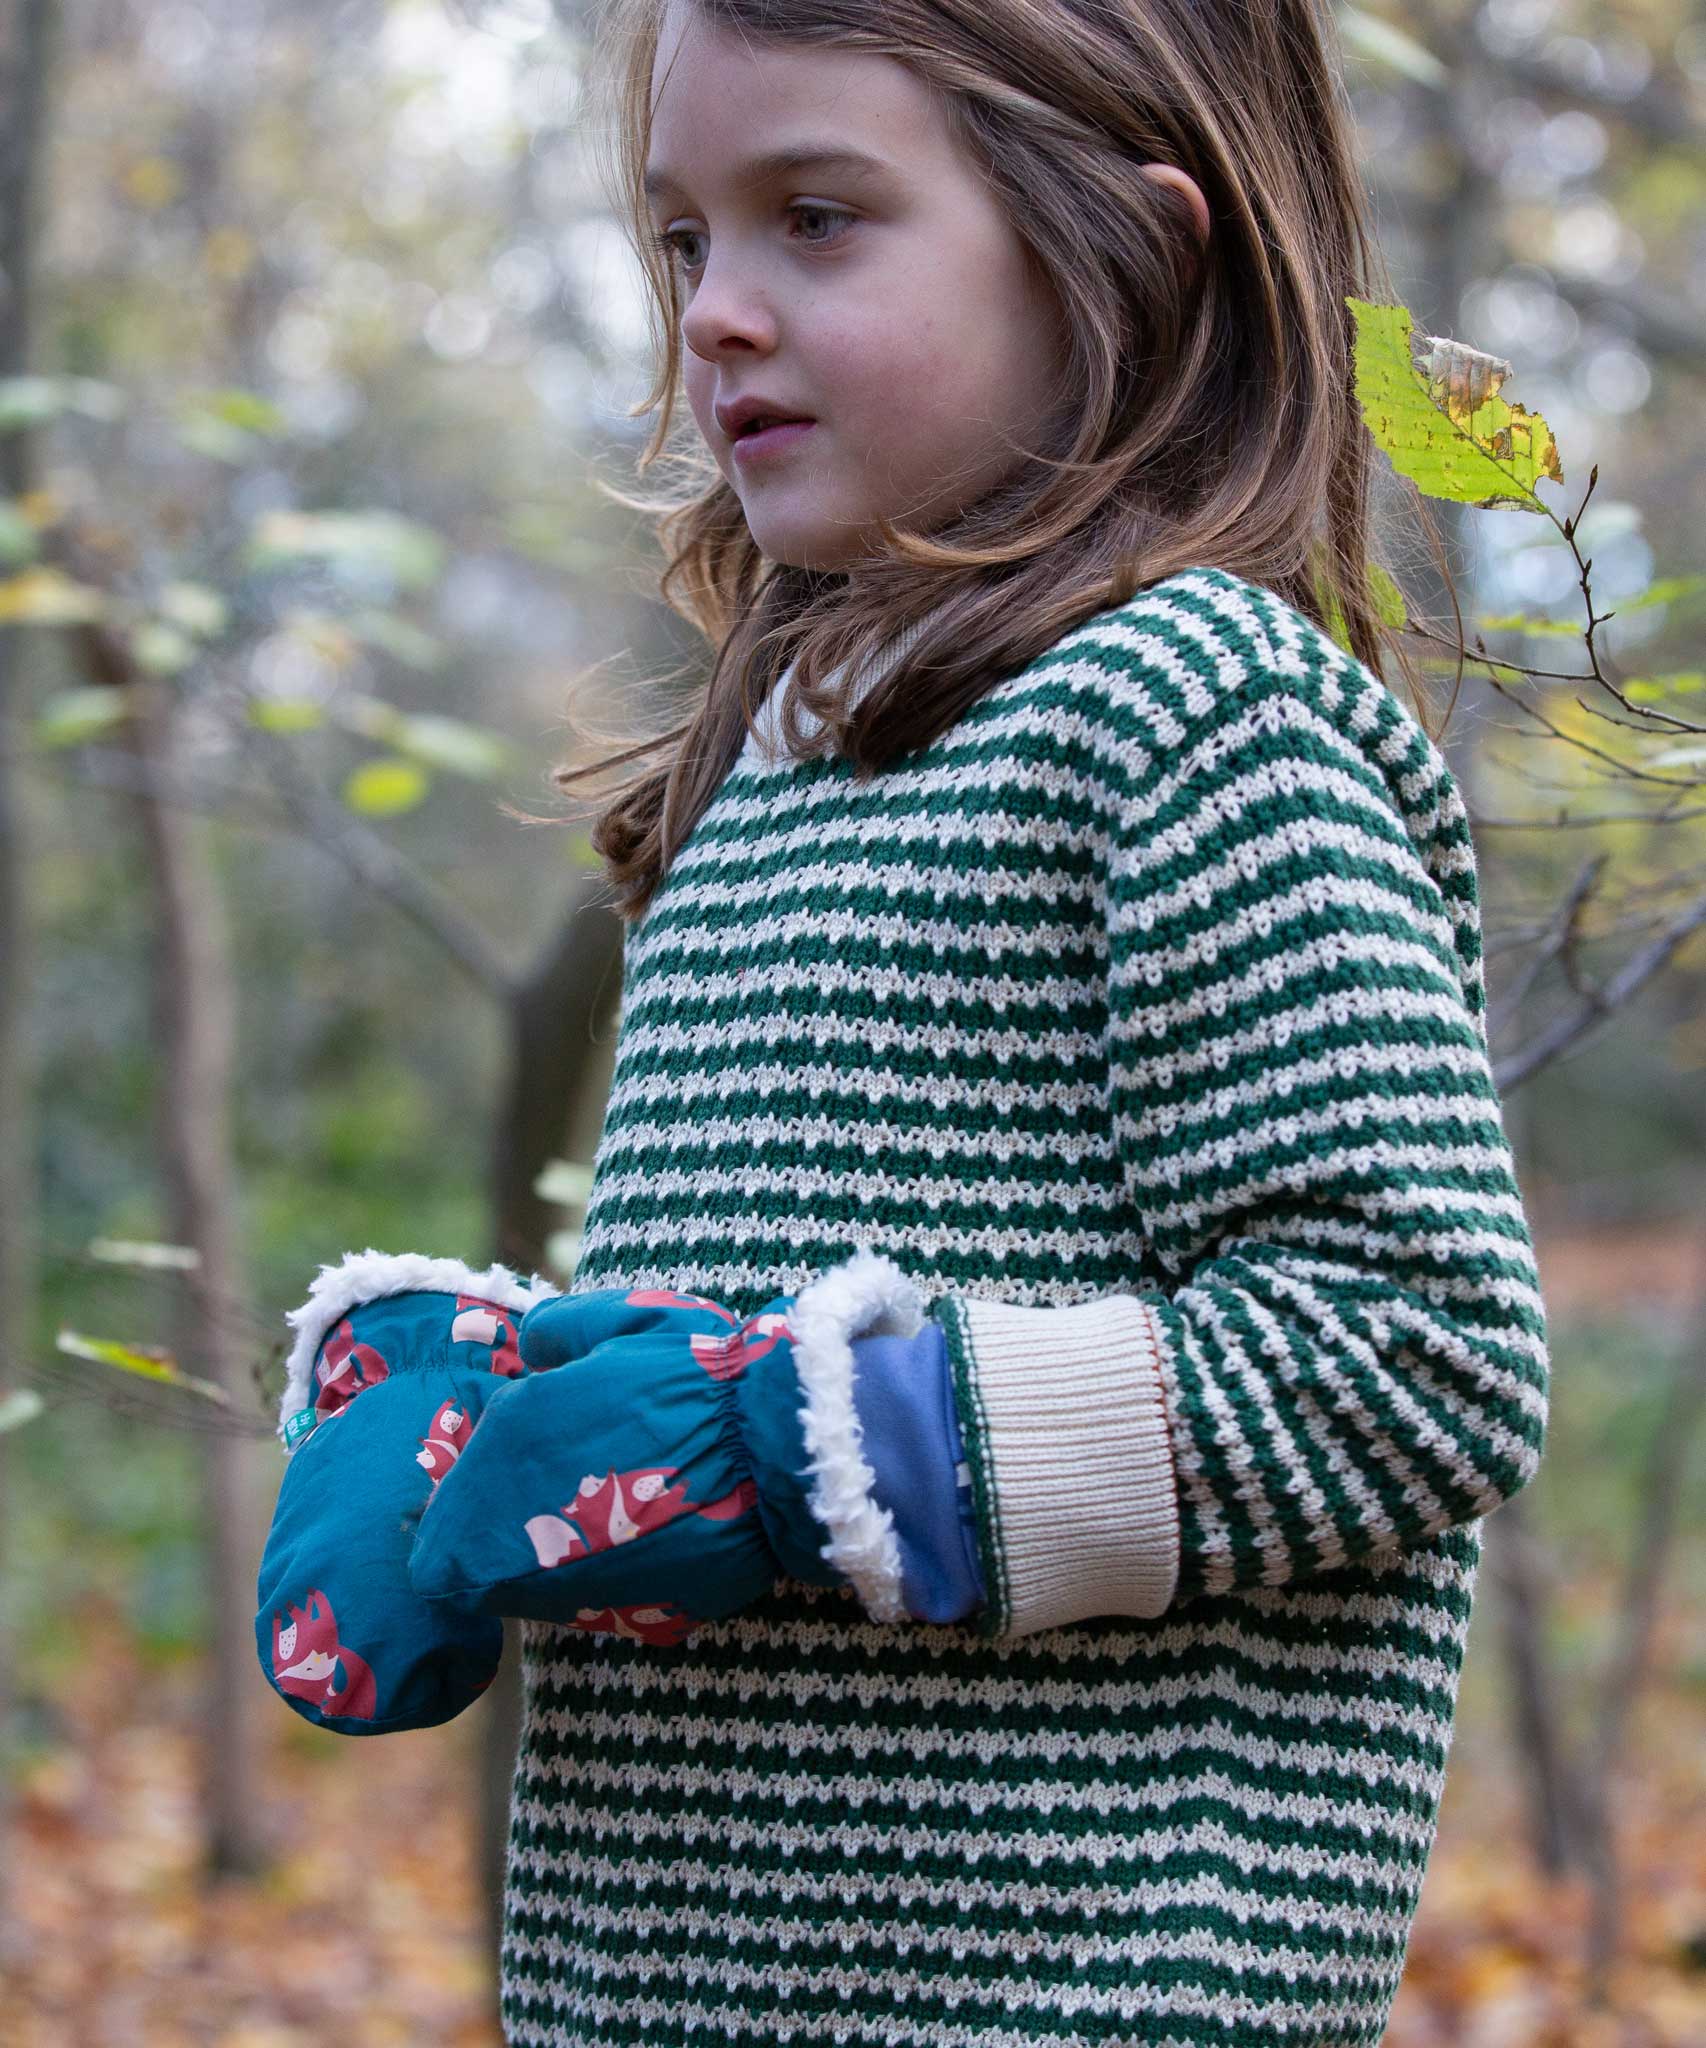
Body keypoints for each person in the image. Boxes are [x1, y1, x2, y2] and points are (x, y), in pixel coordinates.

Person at [254, 0, 1554, 2041]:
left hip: (1060, 1986)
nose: (714, 313)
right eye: (686, 238)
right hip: (667, 1980)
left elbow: (1414, 1353)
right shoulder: (763, 763)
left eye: (819, 217)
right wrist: (483, 1394)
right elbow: (764, 1337)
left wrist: (814, 1442)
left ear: (1124, 256)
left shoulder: (1190, 715)